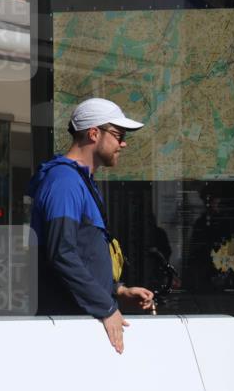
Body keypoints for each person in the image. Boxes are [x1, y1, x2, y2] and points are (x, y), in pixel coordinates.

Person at [29, 98, 154, 354]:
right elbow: (61, 253)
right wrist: (106, 308)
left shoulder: (79, 180)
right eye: (119, 135)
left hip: (79, 326)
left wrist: (118, 290)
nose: (123, 143)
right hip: (68, 331)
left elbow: (83, 254)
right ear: (94, 133)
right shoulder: (64, 181)